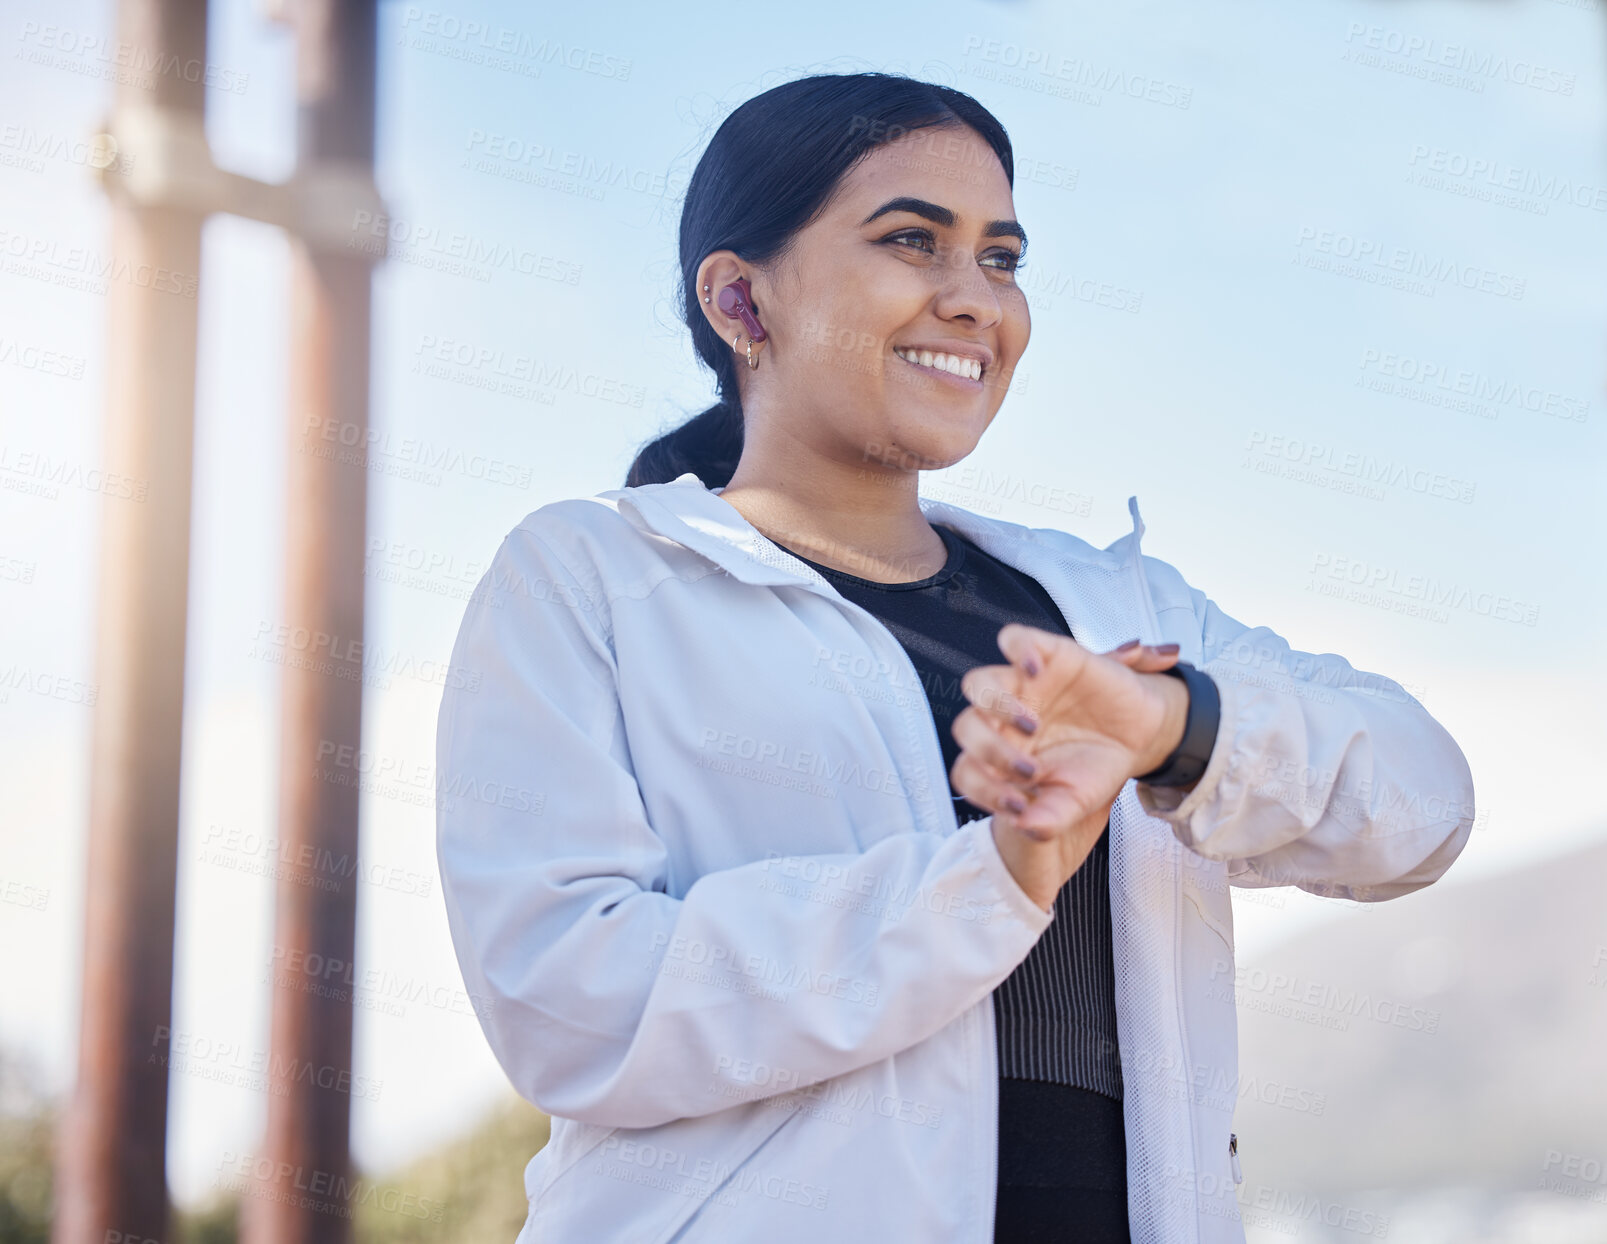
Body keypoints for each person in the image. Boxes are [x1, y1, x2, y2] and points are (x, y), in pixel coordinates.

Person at [434, 72, 1475, 1244]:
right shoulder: (591, 574)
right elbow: (571, 1001)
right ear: (739, 302)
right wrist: (995, 879)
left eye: (1000, 257)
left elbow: (1420, 802)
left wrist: (1171, 727)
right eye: (910, 241)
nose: (973, 299)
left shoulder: (1108, 605)